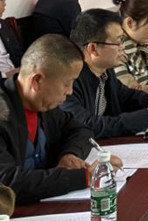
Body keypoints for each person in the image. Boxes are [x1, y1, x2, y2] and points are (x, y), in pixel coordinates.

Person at [0, 34, 117, 203]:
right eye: (67, 83)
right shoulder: (3, 112)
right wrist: (83, 177)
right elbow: (7, 182)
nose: (69, 91)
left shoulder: (45, 106)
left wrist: (70, 153)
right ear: (37, 81)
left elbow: (81, 130)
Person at [61, 9, 148, 138]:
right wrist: (146, 118)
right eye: (118, 42)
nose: (123, 47)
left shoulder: (106, 71)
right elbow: (86, 125)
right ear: (93, 49)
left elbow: (126, 96)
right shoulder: (69, 80)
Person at [0, 0, 24, 77]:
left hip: (18, 76)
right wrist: (6, 75)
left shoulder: (4, 25)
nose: (5, 4)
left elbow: (18, 53)